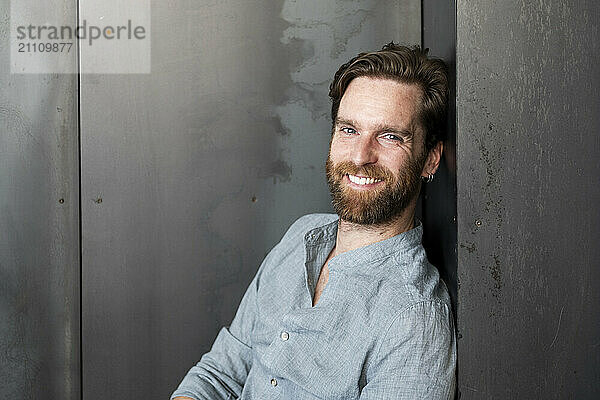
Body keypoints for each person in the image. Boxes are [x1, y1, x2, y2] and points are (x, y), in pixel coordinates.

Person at [171, 43, 456, 400]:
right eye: (349, 130)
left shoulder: (414, 318)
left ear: (430, 159)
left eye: (389, 137)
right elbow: (220, 376)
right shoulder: (300, 236)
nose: (360, 155)